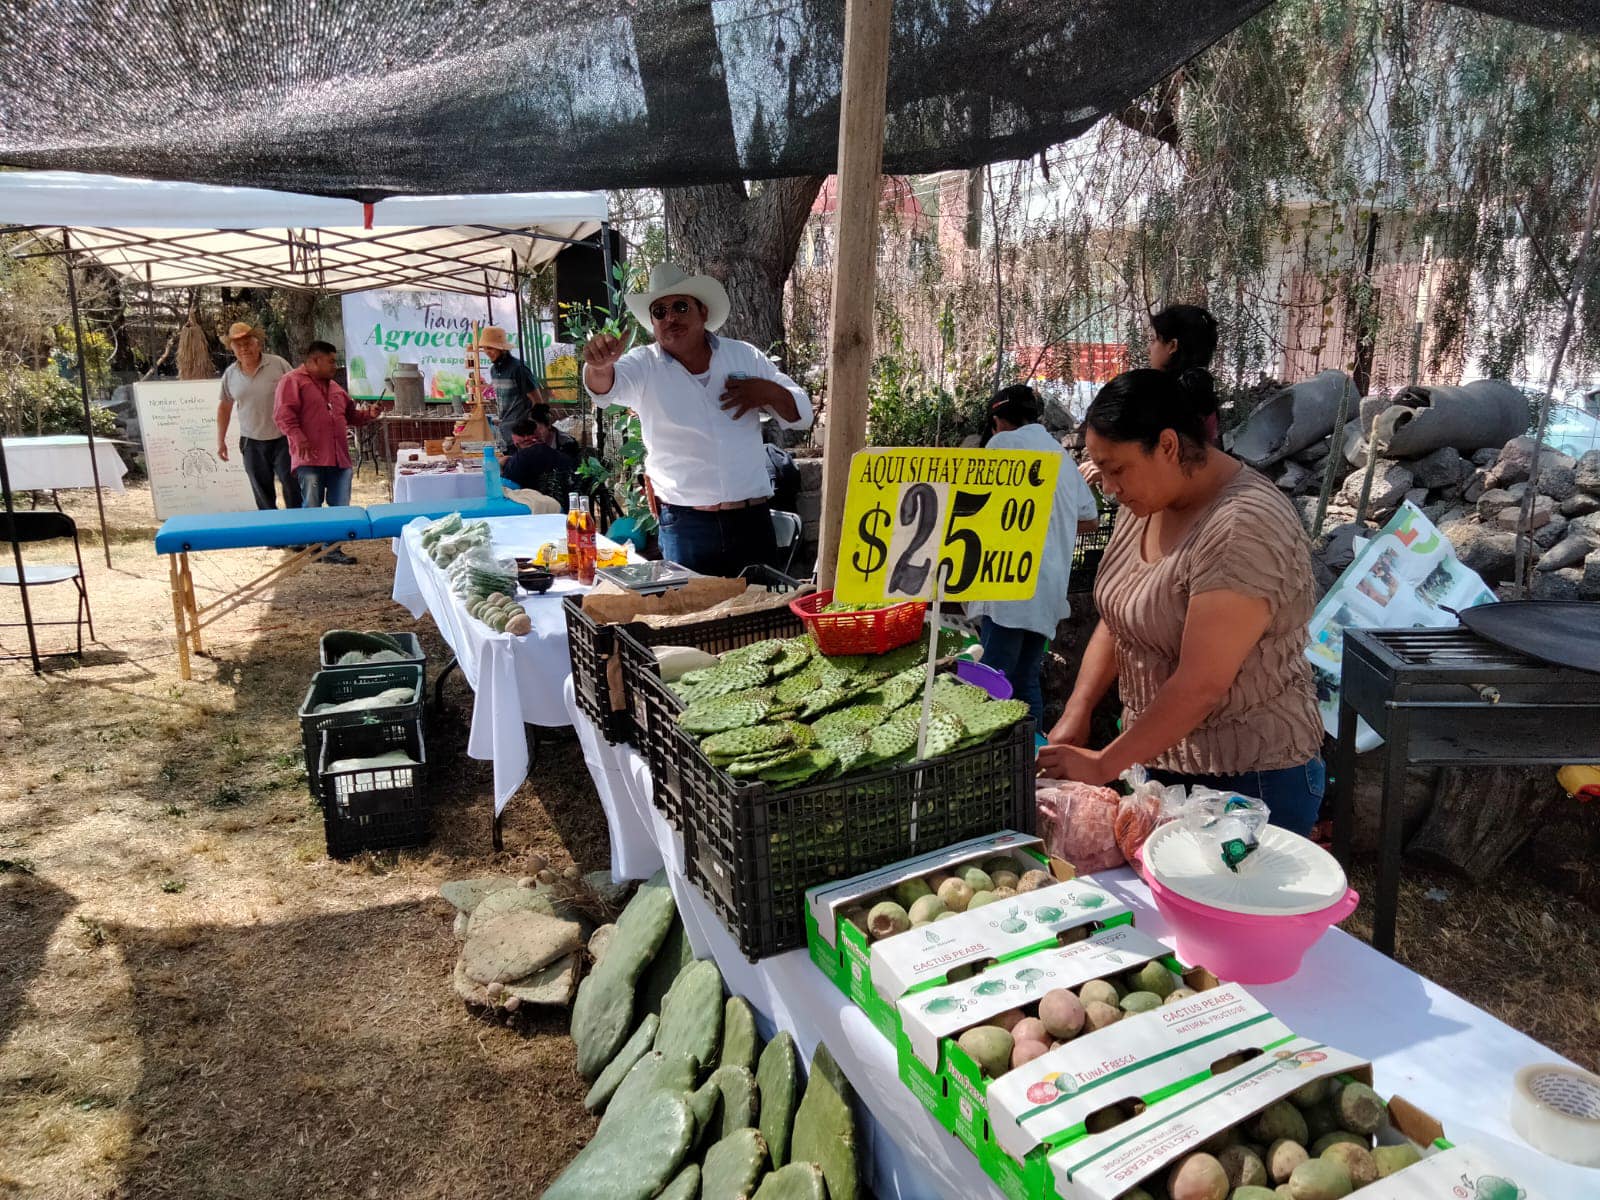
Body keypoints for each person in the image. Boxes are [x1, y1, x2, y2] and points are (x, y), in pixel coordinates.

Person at [1038, 368, 1326, 835]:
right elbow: (1120, 616)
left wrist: (1103, 763)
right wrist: (1079, 708)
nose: (1108, 487)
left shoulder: (1241, 527)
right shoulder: (1150, 501)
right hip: (1161, 764)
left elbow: (1201, 683)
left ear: (1168, 446)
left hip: (1251, 782)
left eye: (1116, 469)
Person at [580, 263, 813, 577]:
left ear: (703, 312)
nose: (671, 317)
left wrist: (766, 391)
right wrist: (599, 365)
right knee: (693, 622)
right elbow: (604, 389)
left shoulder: (743, 356)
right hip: (687, 527)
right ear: (652, 323)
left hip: (751, 520)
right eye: (659, 312)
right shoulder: (643, 365)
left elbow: (802, 415)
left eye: (680, 306)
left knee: (760, 620)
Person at [965, 386, 1101, 729]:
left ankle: (987, 764)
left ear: (997, 422)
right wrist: (1050, 524)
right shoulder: (1058, 455)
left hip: (1009, 585)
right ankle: (1030, 761)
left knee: (990, 684)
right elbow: (1090, 518)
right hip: (1048, 591)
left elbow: (970, 506)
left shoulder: (1001, 445)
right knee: (1026, 681)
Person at [1080, 303, 1220, 490]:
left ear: (1172, 346)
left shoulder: (1163, 397)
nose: (1149, 349)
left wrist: (1110, 469)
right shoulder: (1200, 389)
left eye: (1154, 340)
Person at [273, 341, 380, 565]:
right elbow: (283, 416)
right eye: (330, 361)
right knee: (312, 504)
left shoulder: (335, 388)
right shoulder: (292, 381)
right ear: (314, 361)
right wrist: (299, 436)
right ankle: (313, 547)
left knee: (340, 506)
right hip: (309, 456)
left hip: (339, 457)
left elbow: (352, 416)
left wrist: (369, 413)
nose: (335, 366)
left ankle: (332, 550)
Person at [216, 321, 300, 510]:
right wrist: (220, 441)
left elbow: (298, 393)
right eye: (239, 345)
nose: (244, 349)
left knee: (292, 486)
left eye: (248, 343)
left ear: (258, 344)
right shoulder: (230, 374)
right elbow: (224, 407)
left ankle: (298, 534)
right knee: (262, 491)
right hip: (251, 441)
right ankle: (273, 537)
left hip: (283, 438)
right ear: (232, 349)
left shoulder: (278, 364)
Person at [476, 325, 544, 447]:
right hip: (505, 432)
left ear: (502, 349)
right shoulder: (493, 371)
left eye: (491, 348)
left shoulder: (518, 368)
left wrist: (533, 427)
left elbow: (537, 402)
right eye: (485, 348)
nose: (487, 352)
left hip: (522, 435)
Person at [499, 409, 581, 508]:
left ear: (518, 442)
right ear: (539, 435)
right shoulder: (560, 457)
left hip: (531, 510)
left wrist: (499, 466)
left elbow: (505, 488)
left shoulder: (519, 460)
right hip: (568, 507)